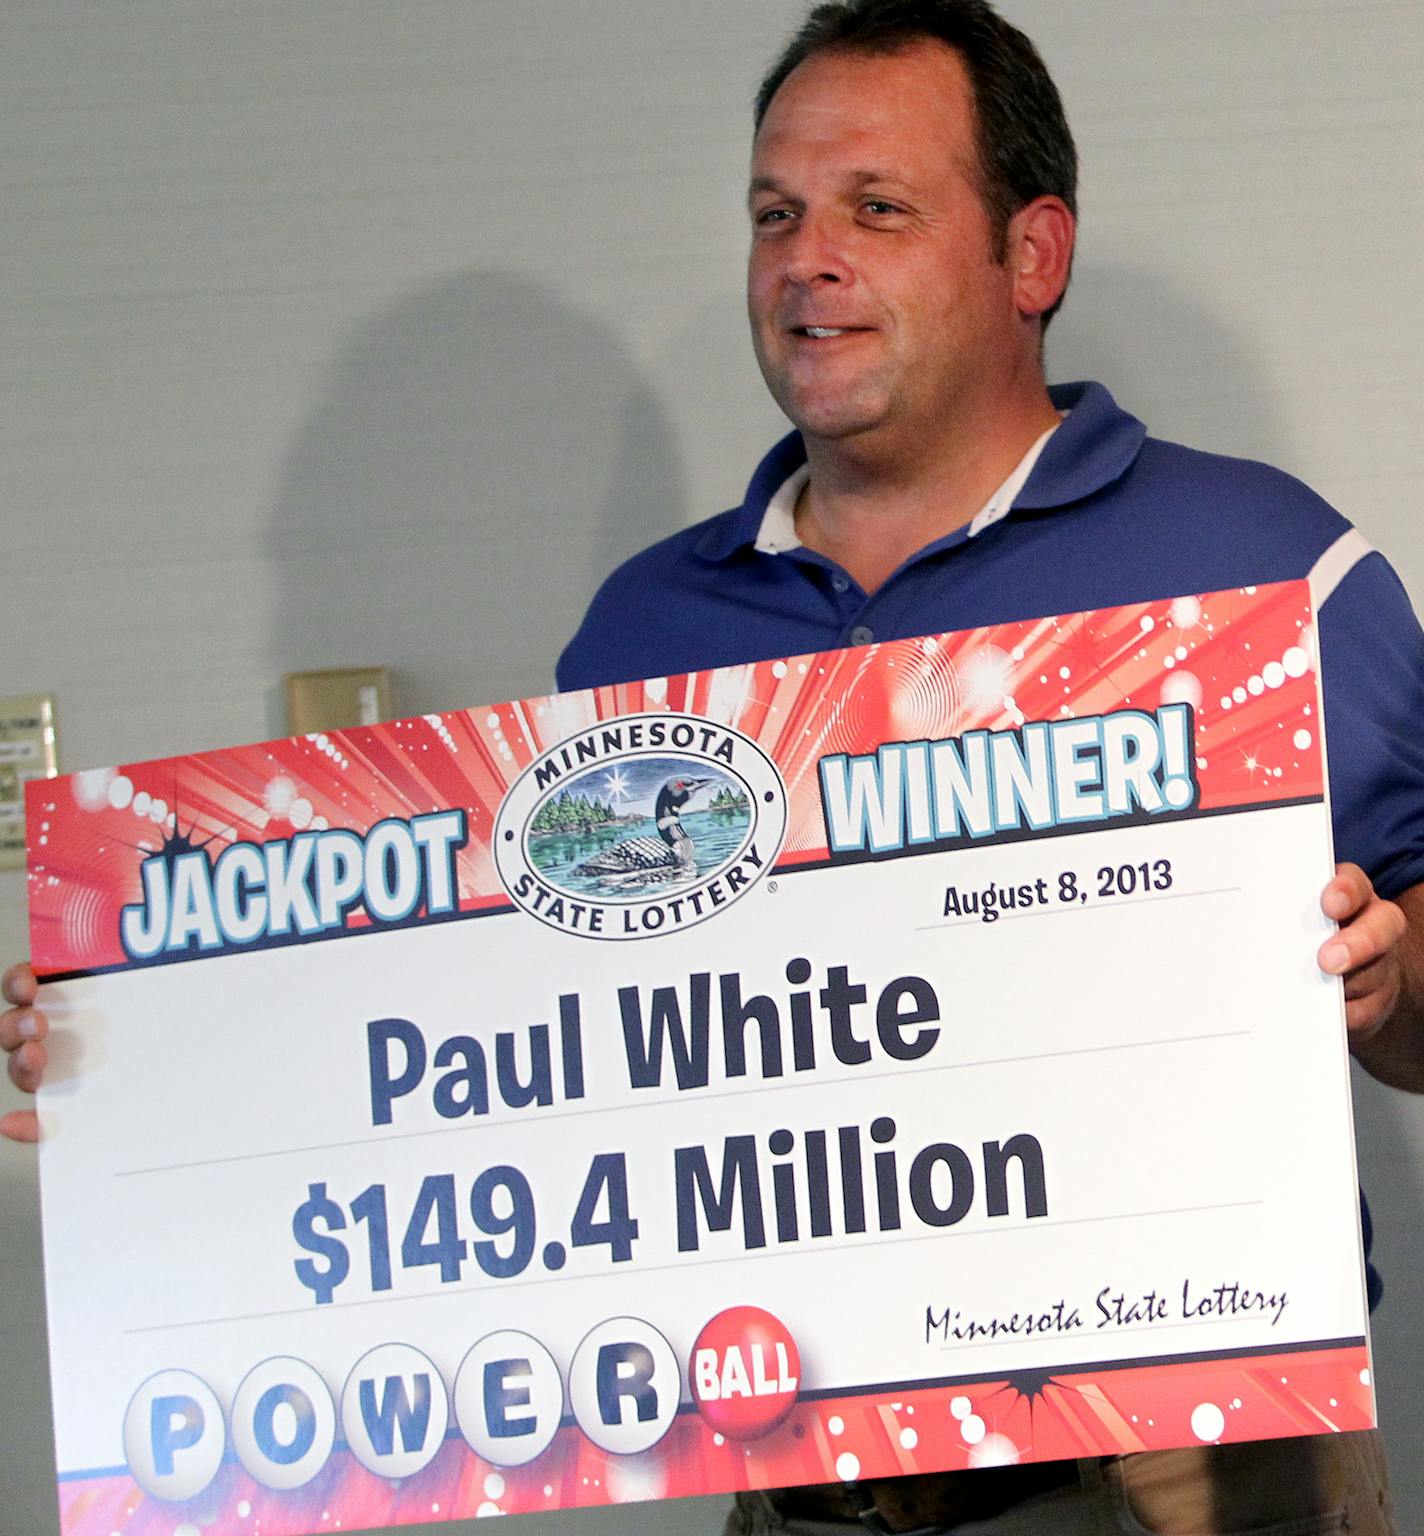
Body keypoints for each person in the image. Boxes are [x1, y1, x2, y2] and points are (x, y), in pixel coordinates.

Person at [5, 1, 1423, 1531]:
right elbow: (508, 1053)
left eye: (877, 208)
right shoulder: (645, 633)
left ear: (1034, 257)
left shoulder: (1272, 574)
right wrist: (146, 1053)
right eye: (775, 213)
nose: (807, 257)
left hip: (1185, 1470)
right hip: (802, 1483)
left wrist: (1392, 984)